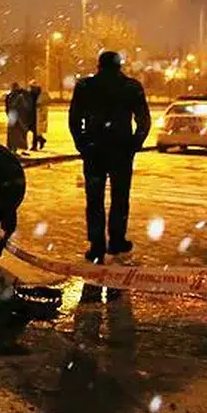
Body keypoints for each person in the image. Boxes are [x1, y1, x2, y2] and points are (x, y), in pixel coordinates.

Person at [68, 51, 151, 267]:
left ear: (99, 65)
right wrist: (134, 144)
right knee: (120, 198)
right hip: (121, 149)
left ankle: (96, 245)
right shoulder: (131, 87)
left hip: (94, 150)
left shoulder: (86, 87)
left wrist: (82, 144)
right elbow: (144, 120)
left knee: (94, 199)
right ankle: (116, 240)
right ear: (119, 66)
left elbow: (74, 119)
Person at [5, 83, 31, 153]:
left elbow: (7, 107)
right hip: (18, 116)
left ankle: (11, 148)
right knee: (16, 133)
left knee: (12, 133)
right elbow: (25, 106)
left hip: (12, 116)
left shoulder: (9, 96)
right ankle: (14, 149)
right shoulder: (20, 96)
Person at [29, 83, 48, 151]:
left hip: (36, 114)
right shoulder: (36, 94)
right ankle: (41, 139)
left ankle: (35, 145)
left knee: (34, 130)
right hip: (34, 113)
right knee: (33, 129)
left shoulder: (35, 94)